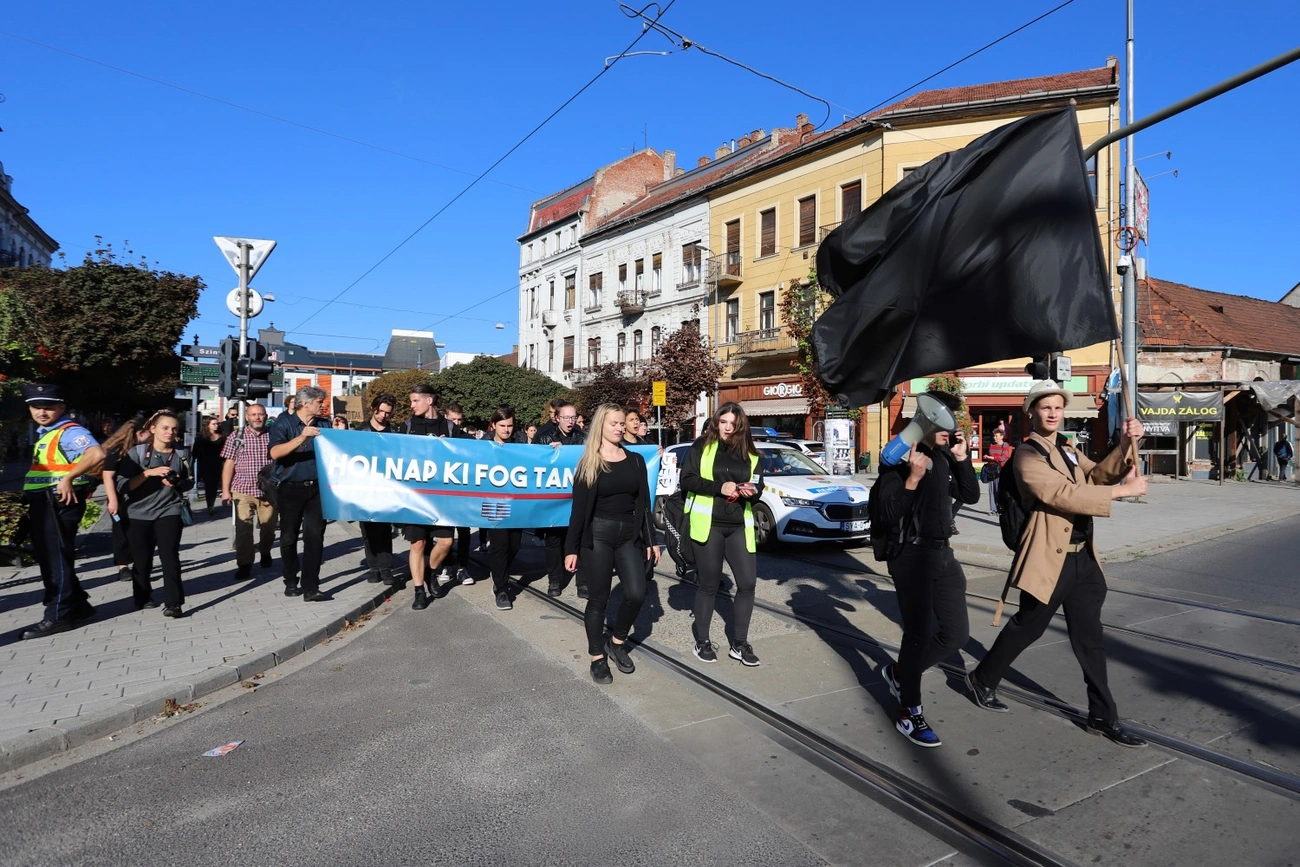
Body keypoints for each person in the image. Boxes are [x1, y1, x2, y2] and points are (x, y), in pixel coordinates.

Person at [968, 381, 1149, 748]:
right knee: (1027, 628)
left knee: (1090, 640)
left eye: (1058, 407)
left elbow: (1096, 476)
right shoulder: (1026, 455)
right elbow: (1061, 494)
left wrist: (1129, 443)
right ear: (1031, 412)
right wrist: (1123, 492)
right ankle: (982, 678)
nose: (1052, 412)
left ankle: (1103, 715)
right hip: (1051, 559)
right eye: (1045, 407)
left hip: (1083, 558)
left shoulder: (1068, 448)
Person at [874, 391, 979, 748]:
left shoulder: (943, 458)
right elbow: (887, 514)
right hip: (911, 557)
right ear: (925, 422)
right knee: (917, 635)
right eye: (944, 419)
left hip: (943, 556)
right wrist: (912, 481)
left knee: (956, 634)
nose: (951, 427)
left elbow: (972, 495)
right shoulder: (896, 463)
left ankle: (901, 673)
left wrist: (962, 460)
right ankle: (909, 711)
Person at [564, 404, 658, 683]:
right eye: (613, 423)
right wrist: (571, 548)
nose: (618, 428)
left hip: (629, 536)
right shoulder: (589, 463)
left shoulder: (636, 460)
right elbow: (578, 511)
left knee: (637, 593)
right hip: (598, 538)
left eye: (621, 424)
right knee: (598, 600)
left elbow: (644, 504)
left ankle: (616, 643)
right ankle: (596, 656)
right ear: (601, 427)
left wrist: (651, 540)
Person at [680, 402, 766, 667]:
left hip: (739, 525)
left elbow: (760, 485)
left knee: (748, 584)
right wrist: (720, 486)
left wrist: (754, 490)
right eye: (723, 422)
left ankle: (739, 644)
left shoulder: (751, 453)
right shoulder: (702, 446)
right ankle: (702, 641)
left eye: (733, 423)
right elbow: (687, 480)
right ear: (716, 423)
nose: (728, 428)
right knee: (708, 584)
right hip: (709, 524)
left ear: (741, 426)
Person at [18, 384, 104, 639]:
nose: (42, 412)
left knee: (55, 560)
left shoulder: (69, 431)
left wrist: (68, 478)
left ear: (62, 407)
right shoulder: (47, 433)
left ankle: (58, 615)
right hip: (46, 502)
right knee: (53, 556)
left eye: (49, 407)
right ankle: (77, 605)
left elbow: (96, 453)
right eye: (36, 407)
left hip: (57, 502)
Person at [118, 410, 195, 617]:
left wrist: (177, 482)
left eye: (174, 429)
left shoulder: (182, 453)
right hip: (138, 513)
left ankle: (174, 603)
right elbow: (123, 486)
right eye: (165, 428)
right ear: (153, 429)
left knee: (170, 556)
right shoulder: (137, 453)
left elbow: (190, 481)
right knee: (142, 560)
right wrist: (148, 473)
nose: (170, 432)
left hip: (169, 509)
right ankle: (142, 597)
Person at [400, 384, 470, 610]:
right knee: (418, 543)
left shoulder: (449, 427)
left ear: (429, 401)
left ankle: (430, 571)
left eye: (414, 401)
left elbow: (474, 451)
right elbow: (391, 452)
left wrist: (450, 447)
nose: (411, 406)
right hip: (416, 497)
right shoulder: (407, 427)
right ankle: (419, 591)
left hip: (442, 499)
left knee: (446, 542)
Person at [267, 386, 331, 602]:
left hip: (317, 489)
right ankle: (290, 579)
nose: (323, 406)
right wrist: (301, 438)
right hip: (290, 488)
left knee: (315, 536)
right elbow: (275, 452)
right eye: (319, 402)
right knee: (288, 537)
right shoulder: (283, 423)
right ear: (306, 403)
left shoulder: (324, 424)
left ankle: (311, 586)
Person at [220, 403, 278, 581]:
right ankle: (244, 564)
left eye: (261, 414)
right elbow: (229, 464)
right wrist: (225, 491)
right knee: (243, 529)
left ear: (266, 416)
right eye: (254, 414)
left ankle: (265, 551)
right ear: (247, 417)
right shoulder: (237, 436)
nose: (257, 418)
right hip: (242, 489)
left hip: (268, 491)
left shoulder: (273, 435)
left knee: (268, 527)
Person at [535, 400, 587, 597]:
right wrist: (548, 453)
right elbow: (534, 463)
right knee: (554, 540)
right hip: (554, 499)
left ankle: (583, 582)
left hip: (577, 497)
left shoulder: (582, 438)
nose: (570, 421)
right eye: (566, 417)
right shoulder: (544, 436)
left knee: (581, 539)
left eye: (573, 417)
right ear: (557, 419)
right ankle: (555, 580)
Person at [483, 407, 526, 610]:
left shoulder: (519, 442)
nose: (507, 430)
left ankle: (500, 574)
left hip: (515, 503)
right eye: (502, 426)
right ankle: (501, 588)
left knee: (514, 545)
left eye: (510, 425)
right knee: (499, 545)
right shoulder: (484, 444)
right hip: (494, 503)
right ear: (494, 425)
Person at [101, 420, 149, 583]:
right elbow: (107, 476)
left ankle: (138, 562)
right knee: (121, 530)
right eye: (150, 432)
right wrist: (112, 500)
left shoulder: (145, 449)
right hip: (119, 496)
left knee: (138, 530)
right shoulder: (118, 450)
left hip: (139, 496)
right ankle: (123, 566)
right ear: (140, 433)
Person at [359, 394, 397, 585]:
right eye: (380, 411)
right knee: (367, 530)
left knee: (384, 529)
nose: (383, 415)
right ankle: (373, 567)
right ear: (373, 408)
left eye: (387, 413)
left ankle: (386, 568)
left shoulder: (394, 432)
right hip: (364, 487)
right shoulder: (361, 431)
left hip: (386, 487)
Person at [438, 403, 475, 588]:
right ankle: (446, 565)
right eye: (453, 419)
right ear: (445, 417)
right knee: (445, 533)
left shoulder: (467, 439)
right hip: (444, 494)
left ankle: (462, 567)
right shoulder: (438, 438)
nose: (457, 423)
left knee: (464, 532)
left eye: (460, 419)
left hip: (463, 494)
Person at [192, 415, 226, 516]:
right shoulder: (201, 437)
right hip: (205, 464)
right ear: (207, 425)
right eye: (214, 424)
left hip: (219, 463)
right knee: (209, 485)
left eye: (217, 424)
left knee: (216, 485)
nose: (216, 426)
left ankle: (216, 503)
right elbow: (195, 452)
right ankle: (210, 506)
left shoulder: (222, 436)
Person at [984, 428, 1013, 515]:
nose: (994, 438)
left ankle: (1000, 508)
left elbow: (1004, 457)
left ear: (1002, 436)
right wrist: (988, 457)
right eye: (994, 436)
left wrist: (993, 458)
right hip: (991, 469)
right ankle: (993, 509)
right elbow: (991, 455)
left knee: (999, 490)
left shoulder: (1005, 445)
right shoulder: (992, 445)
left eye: (996, 436)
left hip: (1001, 470)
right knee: (991, 490)